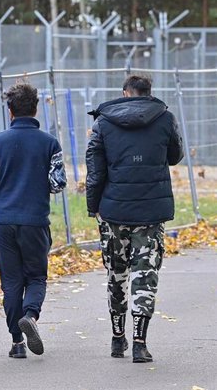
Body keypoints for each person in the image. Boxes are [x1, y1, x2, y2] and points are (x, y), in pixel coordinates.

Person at [86, 74, 183, 363]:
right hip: (151, 214)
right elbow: (175, 156)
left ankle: (118, 338)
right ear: (149, 93)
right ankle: (140, 342)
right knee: (146, 274)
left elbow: (95, 171)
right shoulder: (165, 118)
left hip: (114, 213)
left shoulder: (103, 123)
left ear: (125, 93)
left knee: (117, 274)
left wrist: (94, 208)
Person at [0, 82, 66, 359]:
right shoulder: (50, 143)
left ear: (10, 111)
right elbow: (57, 183)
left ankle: (17, 342)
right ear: (36, 108)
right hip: (35, 220)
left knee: (11, 282)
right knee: (37, 276)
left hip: (4, 220)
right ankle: (30, 315)